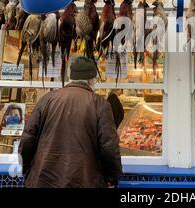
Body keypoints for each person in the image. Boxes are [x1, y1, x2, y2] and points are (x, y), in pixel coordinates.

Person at [19, 56, 122, 188]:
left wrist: (27, 169)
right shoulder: (101, 104)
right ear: (91, 80)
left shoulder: (47, 99)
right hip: (84, 181)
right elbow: (109, 147)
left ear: (71, 78)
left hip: (42, 180)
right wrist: (112, 178)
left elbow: (27, 139)